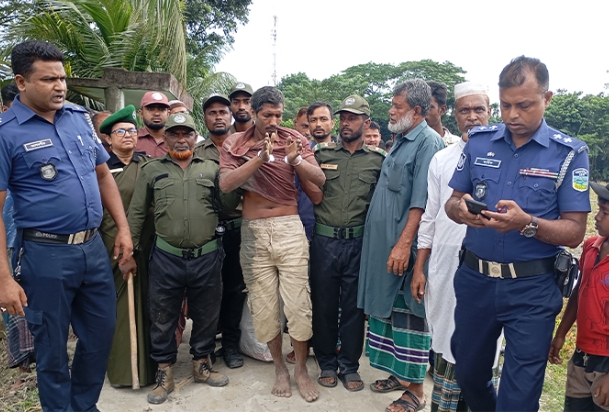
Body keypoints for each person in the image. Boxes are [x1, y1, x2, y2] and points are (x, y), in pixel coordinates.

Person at [445, 56, 590, 411]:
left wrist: (527, 222)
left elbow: (574, 232)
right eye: (506, 104)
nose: (512, 115)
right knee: (468, 375)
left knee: (520, 394)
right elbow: (452, 202)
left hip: (531, 290)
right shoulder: (479, 142)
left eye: (524, 105)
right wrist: (462, 211)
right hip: (475, 281)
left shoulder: (569, 153)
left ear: (547, 98)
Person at [0, 40, 132, 411]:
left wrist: (122, 228)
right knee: (53, 347)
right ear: (22, 82)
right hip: (46, 255)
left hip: (92, 249)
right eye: (48, 79)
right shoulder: (6, 134)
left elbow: (104, 175)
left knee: (100, 336)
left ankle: (84, 406)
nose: (59, 86)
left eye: (62, 78)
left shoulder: (77, 118)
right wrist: (4, 278)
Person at [219, 86, 325, 402]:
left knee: (298, 305)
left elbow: (319, 179)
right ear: (253, 113)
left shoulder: (295, 139)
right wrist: (259, 159)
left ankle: (301, 370)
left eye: (279, 114)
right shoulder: (235, 143)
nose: (274, 121)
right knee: (264, 306)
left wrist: (296, 161)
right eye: (268, 115)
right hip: (253, 231)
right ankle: (279, 367)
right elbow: (226, 183)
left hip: (289, 229)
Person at [125, 112, 238, 404]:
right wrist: (130, 249)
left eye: (186, 133)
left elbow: (228, 203)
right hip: (166, 255)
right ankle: (165, 371)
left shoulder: (212, 168)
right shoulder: (151, 170)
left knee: (206, 312)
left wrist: (234, 171)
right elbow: (137, 213)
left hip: (207, 254)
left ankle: (202, 364)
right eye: (174, 133)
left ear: (194, 136)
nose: (181, 138)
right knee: (161, 314)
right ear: (166, 136)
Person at [411, 82, 501, 412]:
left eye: (480, 109)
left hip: (490, 268)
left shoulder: (506, 156)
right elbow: (430, 215)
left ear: (491, 113)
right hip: (445, 265)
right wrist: (420, 267)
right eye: (466, 110)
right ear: (456, 115)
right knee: (447, 337)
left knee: (483, 346)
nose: (473, 117)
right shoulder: (442, 159)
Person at [358, 79, 444, 412]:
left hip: (403, 251)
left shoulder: (428, 143)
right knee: (390, 316)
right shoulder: (400, 140)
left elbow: (421, 202)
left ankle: (416, 392)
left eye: (397, 106)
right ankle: (400, 375)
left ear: (417, 111)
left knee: (410, 315)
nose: (390, 111)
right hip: (385, 248)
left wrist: (404, 243)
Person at [311, 95, 385, 392]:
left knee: (354, 306)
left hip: (358, 244)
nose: (345, 123)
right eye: (342, 117)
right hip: (325, 241)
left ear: (366, 123)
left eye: (352, 118)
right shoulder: (321, 154)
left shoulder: (378, 160)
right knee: (324, 305)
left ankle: (350, 366)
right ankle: (327, 362)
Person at [98, 105, 157, 388]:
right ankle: (125, 372)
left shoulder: (145, 165)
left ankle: (149, 367)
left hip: (147, 245)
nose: (128, 136)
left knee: (147, 303)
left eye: (132, 131)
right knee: (120, 306)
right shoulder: (101, 170)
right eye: (120, 132)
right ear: (108, 139)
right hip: (113, 245)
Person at [194, 94, 246, 369]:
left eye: (222, 112)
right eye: (211, 112)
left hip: (238, 228)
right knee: (209, 290)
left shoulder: (243, 147)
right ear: (205, 118)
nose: (218, 116)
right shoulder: (196, 152)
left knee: (236, 289)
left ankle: (231, 344)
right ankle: (207, 346)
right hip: (208, 229)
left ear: (230, 116)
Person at [550, 181, 609, 411]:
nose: (597, 217)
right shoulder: (591, 248)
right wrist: (561, 333)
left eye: (605, 213)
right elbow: (578, 293)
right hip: (582, 355)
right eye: (599, 210)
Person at [1, 81, 35, 390]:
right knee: (11, 293)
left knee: (33, 294)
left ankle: (35, 348)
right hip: (9, 232)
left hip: (31, 232)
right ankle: (21, 356)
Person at [135, 91, 170, 157]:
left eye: (162, 109)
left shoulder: (175, 140)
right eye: (150, 109)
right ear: (141, 113)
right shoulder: (132, 138)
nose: (156, 113)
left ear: (168, 114)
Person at [426, 81, 460, 146]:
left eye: (428, 108)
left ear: (442, 110)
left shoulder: (457, 144)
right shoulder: (409, 143)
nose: (423, 112)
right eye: (419, 108)